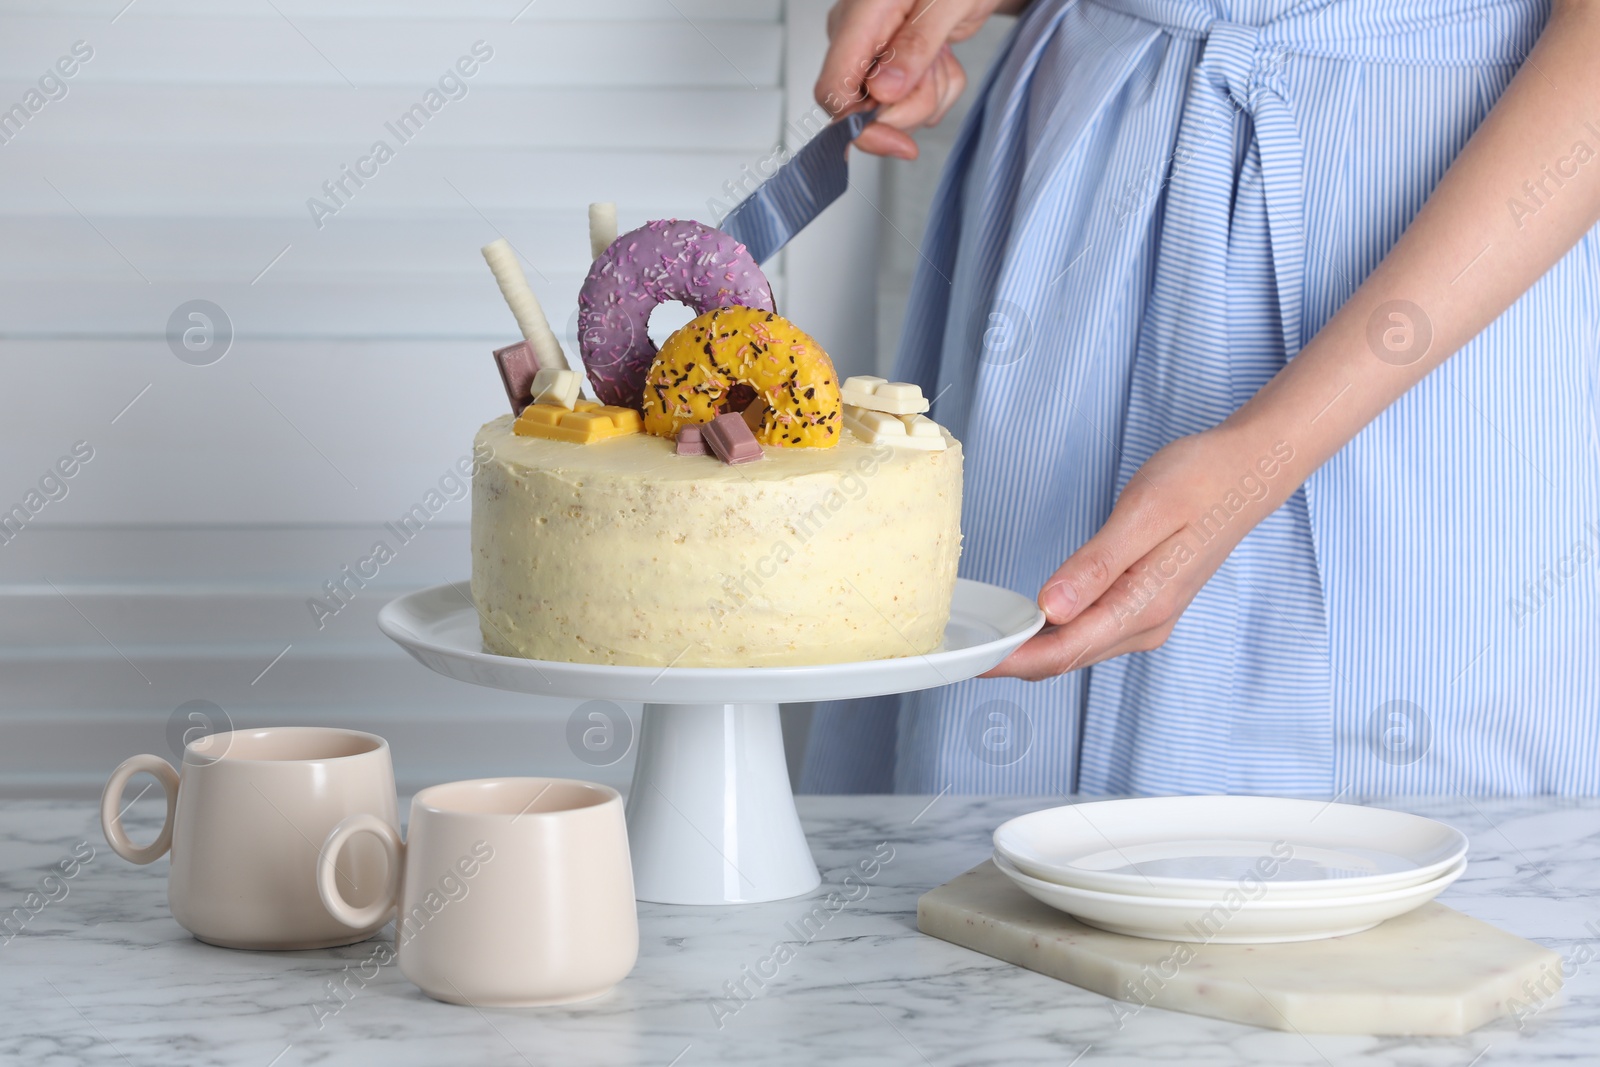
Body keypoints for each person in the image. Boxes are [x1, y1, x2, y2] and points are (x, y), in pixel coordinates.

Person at [799, 0, 1600, 796]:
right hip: (1084, 184)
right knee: (994, 859)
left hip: (1440, 247)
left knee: (1416, 859)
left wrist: (1276, 442)